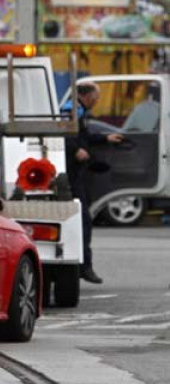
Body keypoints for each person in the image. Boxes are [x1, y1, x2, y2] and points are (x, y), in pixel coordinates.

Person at [61, 83, 123, 284]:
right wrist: (75, 149)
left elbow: (83, 136)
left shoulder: (80, 111)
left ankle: (82, 265)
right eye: (95, 97)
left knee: (83, 220)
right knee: (83, 220)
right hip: (70, 175)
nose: (97, 101)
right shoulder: (71, 110)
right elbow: (64, 134)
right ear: (85, 96)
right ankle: (83, 267)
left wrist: (105, 138)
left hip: (76, 173)